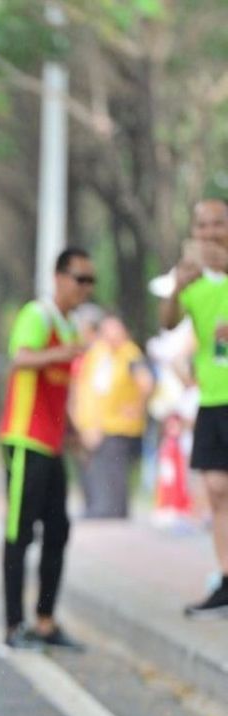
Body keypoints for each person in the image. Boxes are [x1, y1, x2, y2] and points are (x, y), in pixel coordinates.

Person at [0, 248, 94, 649]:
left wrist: (72, 430)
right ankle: (13, 626)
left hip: (52, 445)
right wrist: (59, 353)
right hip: (25, 439)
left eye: (91, 281)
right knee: (19, 532)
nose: (86, 287)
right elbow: (20, 358)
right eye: (80, 278)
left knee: (58, 530)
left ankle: (46, 622)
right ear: (59, 277)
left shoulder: (69, 325)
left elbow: (56, 389)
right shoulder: (38, 315)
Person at [160, 198, 228, 618]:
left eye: (217, 224)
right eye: (201, 226)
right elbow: (167, 322)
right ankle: (225, 580)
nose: (208, 232)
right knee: (216, 490)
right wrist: (176, 288)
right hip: (211, 399)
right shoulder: (194, 281)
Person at [72, 312, 154, 518]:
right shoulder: (99, 353)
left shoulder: (130, 354)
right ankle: (101, 509)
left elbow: (146, 382)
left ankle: (112, 512)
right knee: (98, 472)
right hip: (97, 424)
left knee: (114, 474)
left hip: (119, 426)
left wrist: (137, 407)